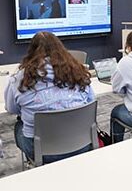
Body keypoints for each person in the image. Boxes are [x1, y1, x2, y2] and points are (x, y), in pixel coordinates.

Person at [4, 31, 95, 163]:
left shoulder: (18, 79)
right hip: (83, 143)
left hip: (42, 151)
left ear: (31, 51)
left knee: (19, 124)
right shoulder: (78, 72)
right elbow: (90, 102)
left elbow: (12, 109)